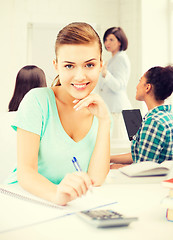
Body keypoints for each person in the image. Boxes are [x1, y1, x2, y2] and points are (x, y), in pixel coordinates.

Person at [7, 22, 111, 206]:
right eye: (69, 66)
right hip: (23, 200)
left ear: (101, 65)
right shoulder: (37, 101)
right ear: (56, 66)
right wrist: (57, 195)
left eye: (89, 64)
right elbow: (26, 172)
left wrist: (105, 121)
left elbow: (96, 178)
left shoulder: (98, 110)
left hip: (67, 206)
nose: (80, 76)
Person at [110, 65, 173, 169]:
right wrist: (110, 158)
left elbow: (142, 168)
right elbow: (140, 155)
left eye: (140, 81)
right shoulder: (166, 116)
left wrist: (113, 167)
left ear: (147, 87)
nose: (136, 86)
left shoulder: (153, 122)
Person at [97, 27, 131, 139]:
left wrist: (106, 74)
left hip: (118, 111)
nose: (107, 43)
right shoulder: (112, 59)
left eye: (111, 40)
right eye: (106, 40)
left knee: (119, 145)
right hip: (112, 109)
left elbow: (119, 86)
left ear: (120, 41)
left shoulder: (121, 58)